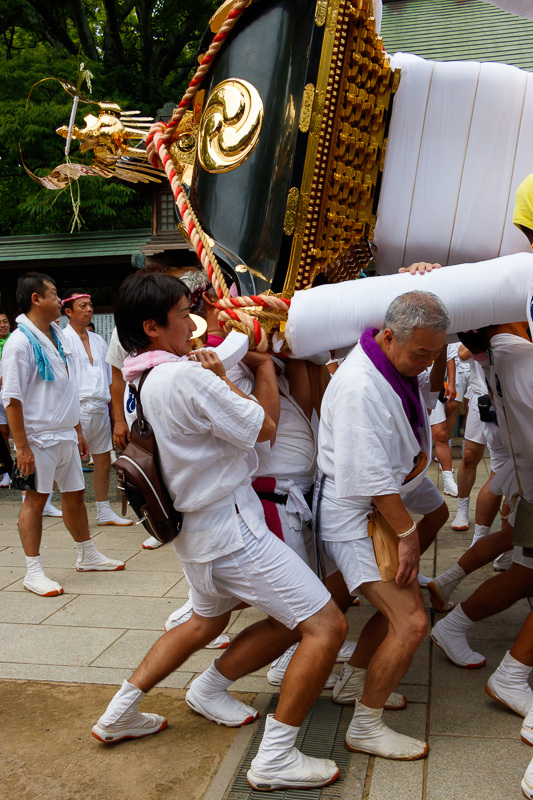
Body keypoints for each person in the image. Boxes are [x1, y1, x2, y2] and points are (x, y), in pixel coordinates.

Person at [92, 271, 347, 792]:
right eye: (184, 315)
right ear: (152, 326)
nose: (192, 324)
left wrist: (221, 375)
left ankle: (119, 712)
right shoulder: (185, 376)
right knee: (327, 626)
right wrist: (256, 369)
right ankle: (275, 757)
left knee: (203, 625)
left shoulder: (144, 376)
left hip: (196, 532)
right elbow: (265, 428)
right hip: (232, 530)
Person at [314, 291, 450, 760]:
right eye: (421, 354)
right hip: (356, 511)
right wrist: (407, 538)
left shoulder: (394, 362)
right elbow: (367, 476)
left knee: (404, 604)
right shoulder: (359, 385)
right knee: (411, 622)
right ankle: (365, 728)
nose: (428, 362)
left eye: (436, 352)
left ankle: (355, 680)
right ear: (388, 336)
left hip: (390, 487)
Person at [1, 272, 124, 597]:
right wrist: (22, 447)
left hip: (66, 432)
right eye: (54, 294)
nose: (59, 300)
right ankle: (33, 571)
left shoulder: (57, 334)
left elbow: (66, 386)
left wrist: (77, 429)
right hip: (37, 436)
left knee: (74, 494)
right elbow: (11, 399)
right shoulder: (20, 342)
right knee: (36, 500)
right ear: (35, 299)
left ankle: (87, 554)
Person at [431, 322, 533, 669]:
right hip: (529, 474)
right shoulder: (517, 356)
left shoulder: (502, 354)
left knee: (514, 547)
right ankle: (510, 672)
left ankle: (446, 587)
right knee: (525, 571)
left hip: (524, 471)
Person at [61, 290, 132, 527]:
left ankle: (103, 510)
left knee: (103, 460)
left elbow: (113, 379)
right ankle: (40, 501)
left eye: (90, 305)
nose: (89, 309)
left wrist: (116, 416)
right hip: (76, 407)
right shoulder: (62, 339)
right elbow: (64, 382)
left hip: (100, 406)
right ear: (68, 312)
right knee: (67, 461)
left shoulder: (99, 340)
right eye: (83, 306)